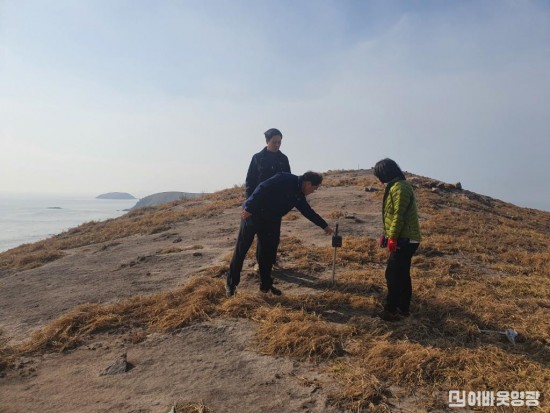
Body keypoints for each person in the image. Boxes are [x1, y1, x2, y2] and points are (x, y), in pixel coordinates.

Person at [226, 171, 334, 297]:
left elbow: (308, 211)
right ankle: (231, 284)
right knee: (241, 249)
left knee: (266, 253)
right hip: (253, 215)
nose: (313, 191)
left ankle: (265, 285)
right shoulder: (285, 178)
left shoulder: (298, 195)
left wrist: (324, 226)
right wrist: (249, 207)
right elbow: (262, 187)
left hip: (270, 221)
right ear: (308, 183)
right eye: (314, 188)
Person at [374, 158, 421, 321]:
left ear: (386, 174)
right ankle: (403, 309)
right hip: (403, 237)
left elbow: (398, 216)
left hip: (405, 239)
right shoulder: (395, 186)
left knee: (393, 274)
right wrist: (386, 235)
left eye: (379, 175)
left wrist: (393, 237)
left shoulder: (400, 187)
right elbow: (390, 215)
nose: (379, 180)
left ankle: (391, 310)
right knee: (402, 274)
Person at [246, 128, 291, 269]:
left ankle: (272, 261)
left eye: (279, 142)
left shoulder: (283, 159)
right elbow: (250, 182)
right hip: (259, 204)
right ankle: (261, 264)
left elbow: (288, 180)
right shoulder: (257, 158)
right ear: (267, 141)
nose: (277, 144)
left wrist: (285, 201)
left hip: (276, 205)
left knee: (274, 235)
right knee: (262, 236)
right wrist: (250, 203)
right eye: (274, 142)